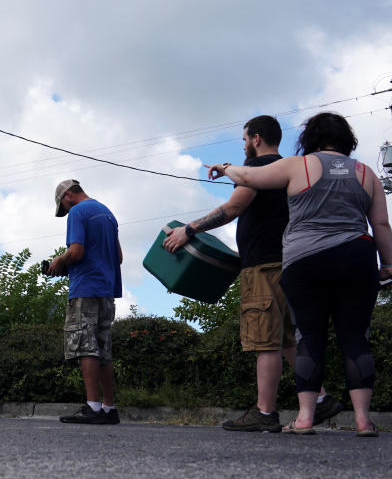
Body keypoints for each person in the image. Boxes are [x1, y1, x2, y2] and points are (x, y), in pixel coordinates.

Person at [207, 112, 392, 436]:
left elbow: (249, 178)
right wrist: (388, 264)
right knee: (355, 339)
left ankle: (305, 418)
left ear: (310, 138)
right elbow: (380, 225)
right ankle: (363, 421)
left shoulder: (299, 166)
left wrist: (225, 169)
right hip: (357, 257)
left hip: (306, 260)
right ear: (348, 140)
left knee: (308, 338)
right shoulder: (367, 174)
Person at [163, 115, 341, 432]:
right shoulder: (291, 170)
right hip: (290, 263)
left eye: (244, 138)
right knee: (288, 339)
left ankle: (265, 412)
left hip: (264, 265)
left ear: (256, 139)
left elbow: (232, 208)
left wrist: (188, 230)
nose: (244, 144)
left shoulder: (258, 170)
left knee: (265, 341)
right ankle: (322, 399)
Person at [47, 179, 122, 425]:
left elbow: (76, 251)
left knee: (85, 347)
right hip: (107, 290)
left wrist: (59, 261)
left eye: (64, 206)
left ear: (68, 195)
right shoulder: (107, 213)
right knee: (103, 350)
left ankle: (92, 407)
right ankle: (109, 409)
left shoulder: (78, 212)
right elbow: (118, 257)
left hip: (85, 289)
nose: (66, 211)